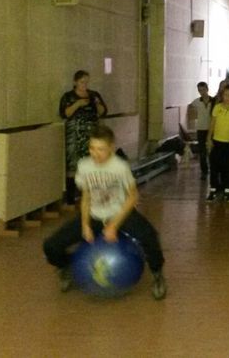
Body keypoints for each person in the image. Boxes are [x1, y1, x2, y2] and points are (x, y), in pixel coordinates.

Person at [42, 125, 167, 300]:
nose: (95, 153)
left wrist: (114, 225)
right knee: (51, 245)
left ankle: (157, 274)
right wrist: (85, 225)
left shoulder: (119, 167)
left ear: (111, 148)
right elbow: (86, 197)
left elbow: (132, 196)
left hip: (119, 213)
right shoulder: (84, 166)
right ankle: (66, 267)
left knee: (150, 237)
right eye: (92, 148)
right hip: (95, 216)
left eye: (100, 149)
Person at [58, 70, 107, 204]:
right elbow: (65, 114)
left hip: (91, 134)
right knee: (73, 164)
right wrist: (77, 104)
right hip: (74, 135)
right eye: (82, 82)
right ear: (75, 82)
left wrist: (96, 103)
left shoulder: (93, 95)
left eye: (86, 82)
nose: (84, 85)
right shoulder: (68, 97)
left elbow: (103, 111)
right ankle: (70, 198)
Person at [206, 84, 229, 201]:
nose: (228, 97)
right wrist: (209, 139)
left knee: (228, 169)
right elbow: (212, 124)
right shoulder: (217, 107)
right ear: (222, 96)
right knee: (214, 168)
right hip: (216, 142)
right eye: (225, 95)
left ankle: (228, 192)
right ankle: (213, 191)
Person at [187, 82, 213, 180]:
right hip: (201, 129)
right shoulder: (196, 101)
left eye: (203, 89)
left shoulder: (213, 101)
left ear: (207, 89)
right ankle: (204, 171)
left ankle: (214, 170)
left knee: (212, 151)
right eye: (199, 90)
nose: (202, 92)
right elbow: (190, 107)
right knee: (202, 151)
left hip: (212, 129)